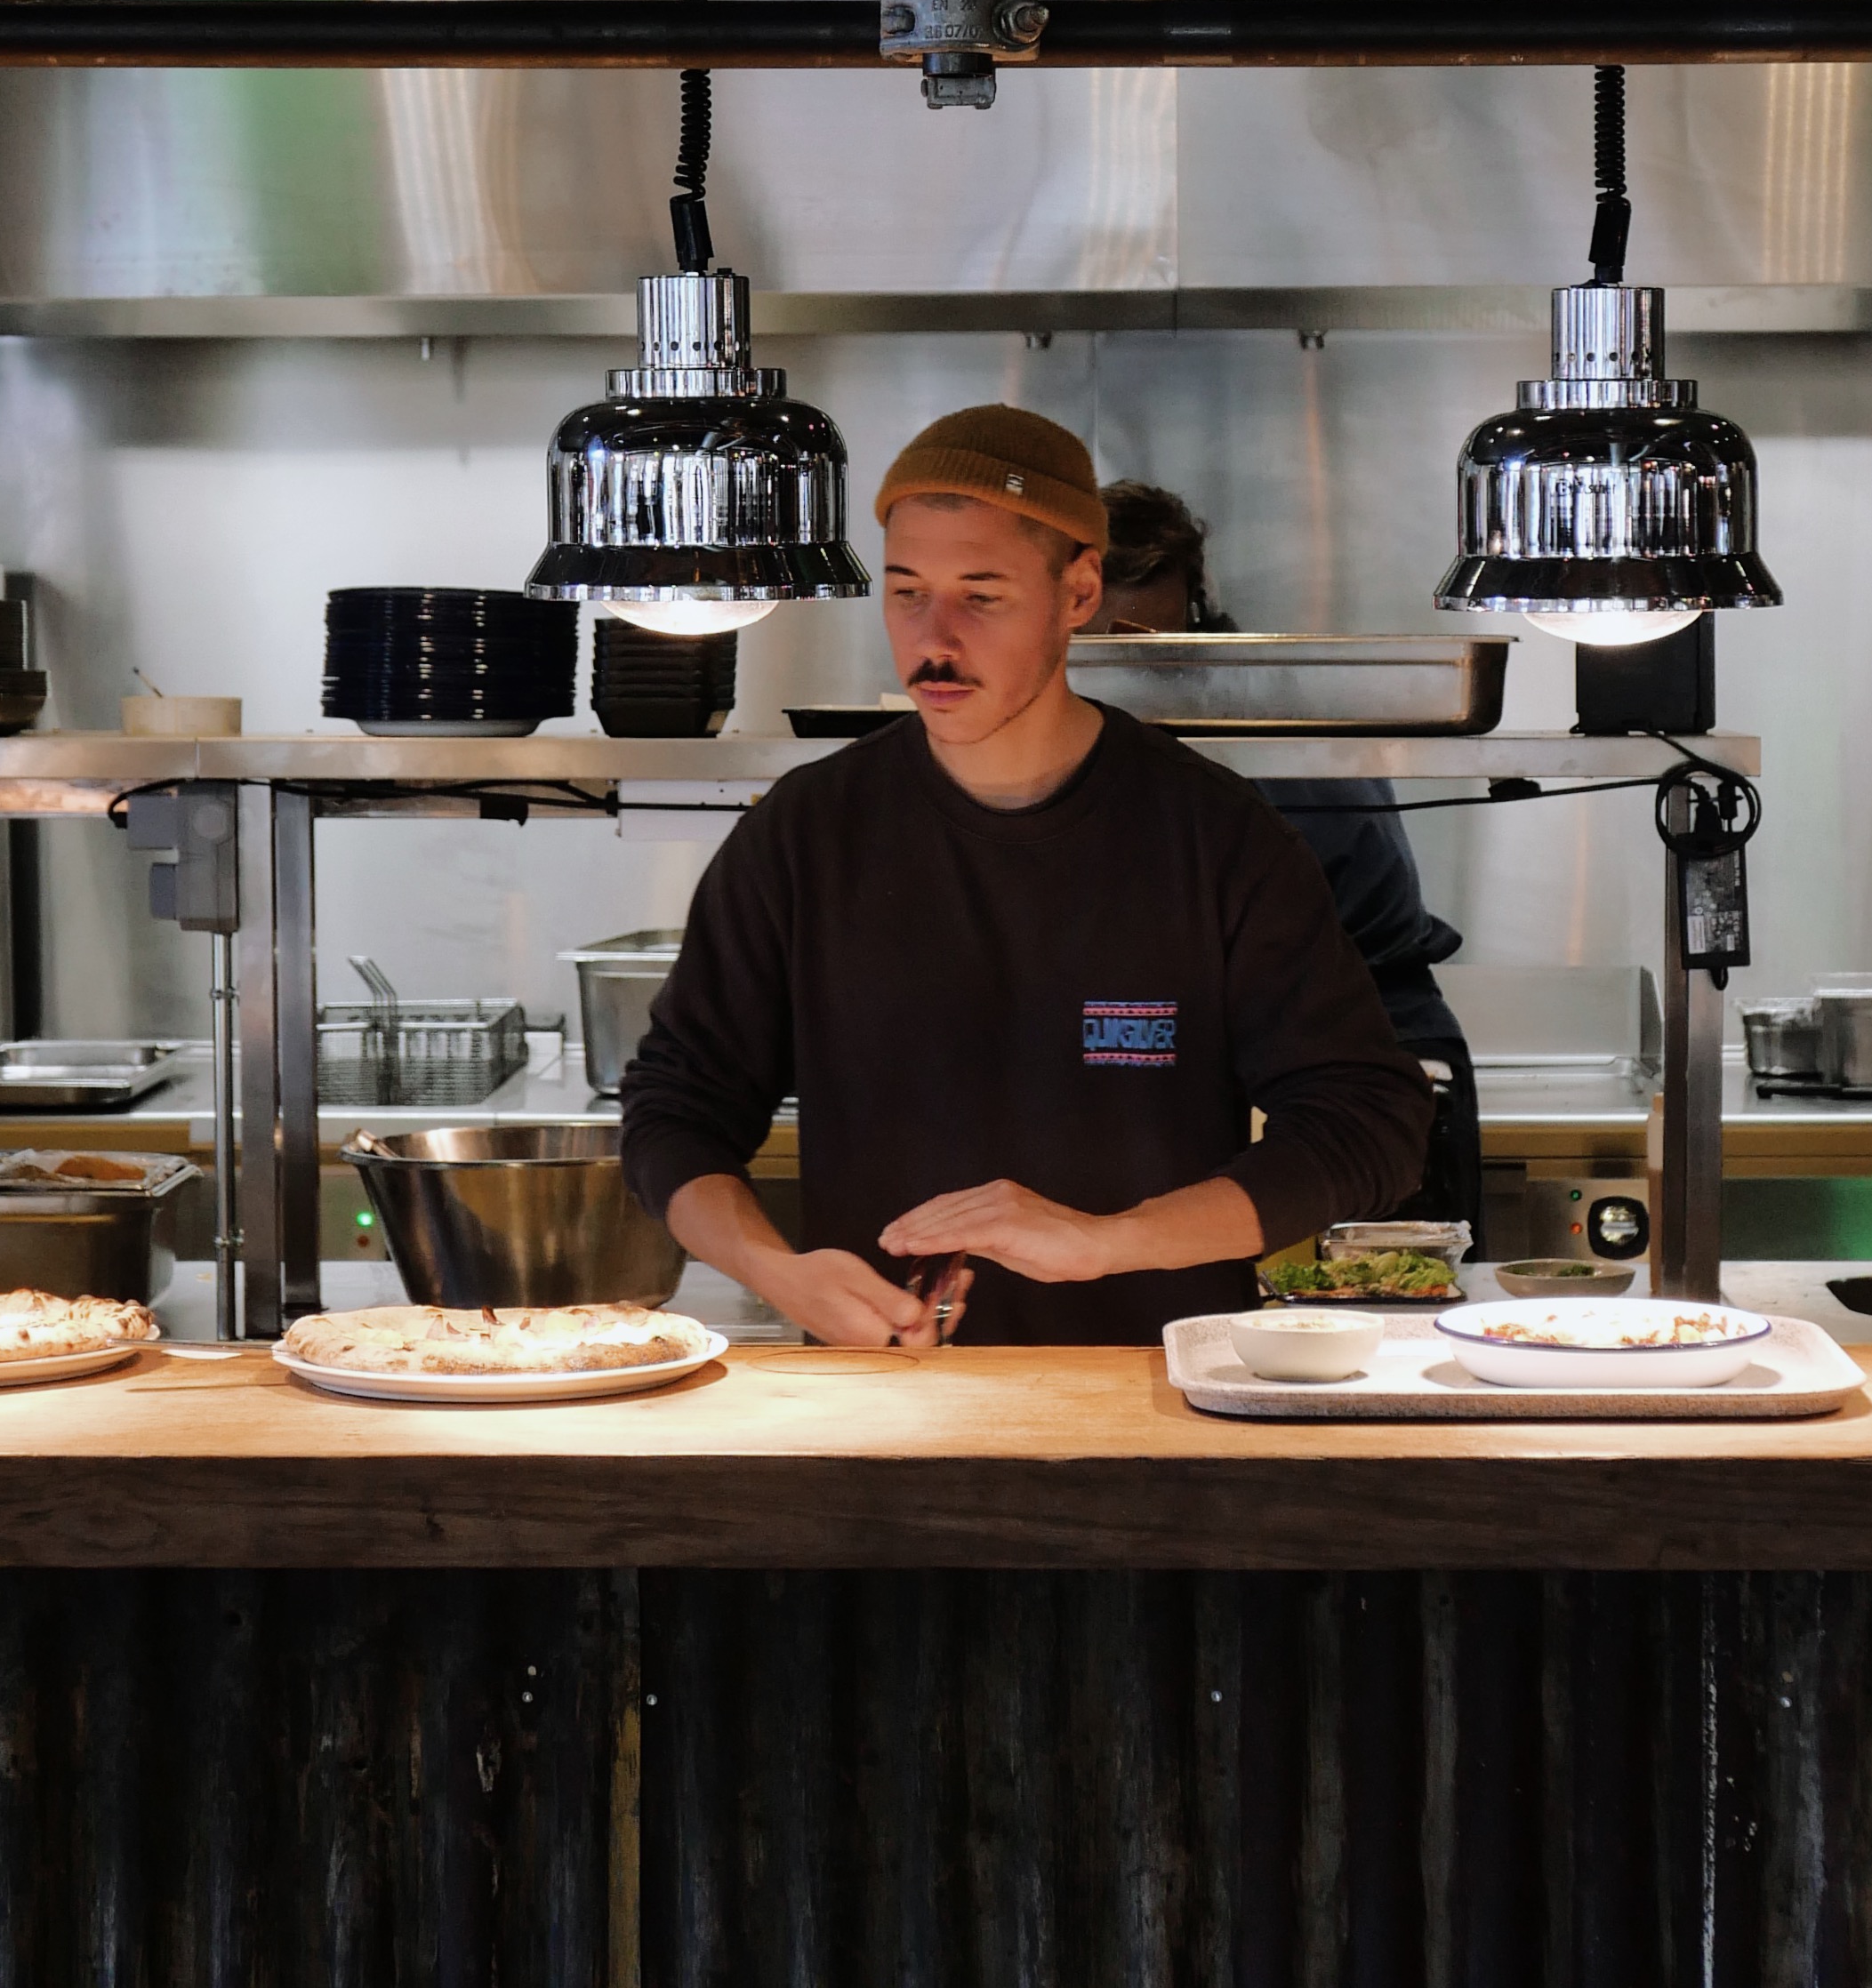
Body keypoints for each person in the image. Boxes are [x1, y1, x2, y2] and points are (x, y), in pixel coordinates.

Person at [618, 405, 1433, 1347]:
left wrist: (1107, 1241)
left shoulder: (1213, 833)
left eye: (983, 594)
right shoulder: (806, 832)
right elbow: (675, 1110)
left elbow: (1371, 1120)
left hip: (1159, 1406)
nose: (936, 636)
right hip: (879, 1403)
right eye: (907, 590)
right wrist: (776, 1271)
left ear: (1079, 592)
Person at [1097, 479, 1482, 1236]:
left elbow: (1363, 920)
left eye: (1149, 654)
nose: (1121, 684)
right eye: (1099, 656)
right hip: (1207, 1066)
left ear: (1196, 619)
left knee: (1384, 1310)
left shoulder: (1262, 723)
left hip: (1364, 1045)